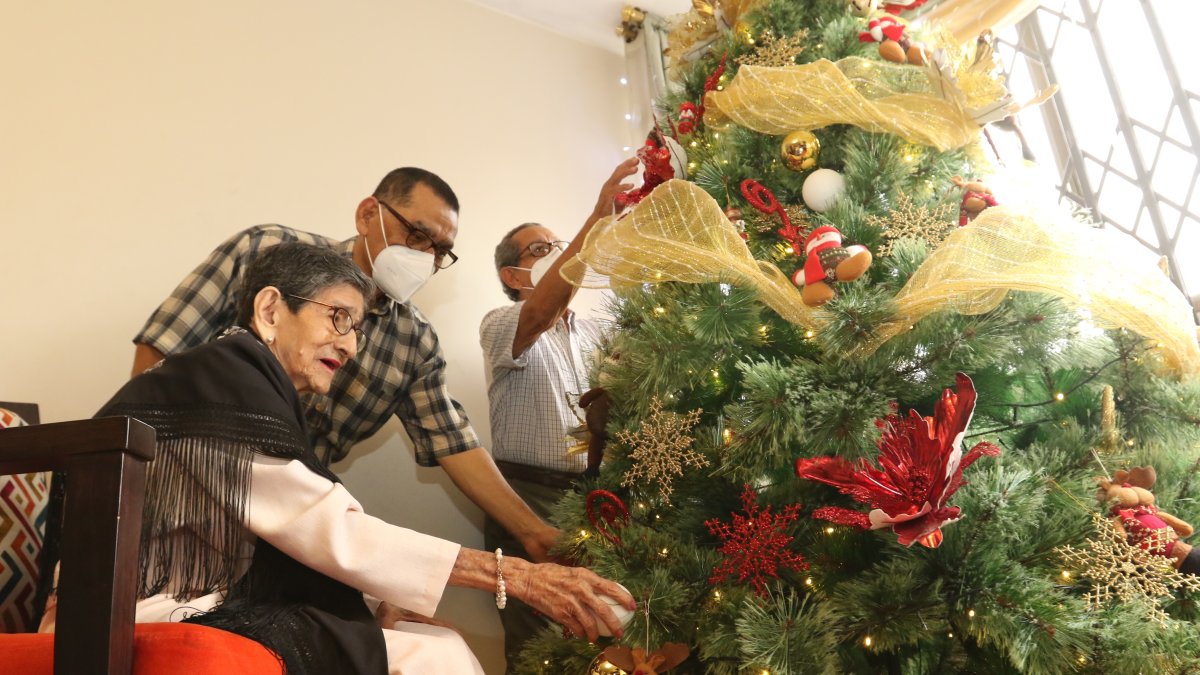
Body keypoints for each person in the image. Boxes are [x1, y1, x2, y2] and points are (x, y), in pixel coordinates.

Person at [43, 243, 635, 675]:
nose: (351, 345)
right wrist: (516, 575)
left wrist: (380, 601)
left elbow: (297, 523)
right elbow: (325, 527)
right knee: (436, 660)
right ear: (271, 310)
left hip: (193, 596)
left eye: (357, 328)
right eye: (338, 318)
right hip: (138, 608)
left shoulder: (241, 380)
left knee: (427, 642)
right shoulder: (220, 384)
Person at [130, 167, 562, 562]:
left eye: (440, 251)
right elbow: (162, 351)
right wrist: (135, 477)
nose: (425, 258)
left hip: (284, 531)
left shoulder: (414, 342)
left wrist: (534, 532)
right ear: (368, 215)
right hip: (178, 496)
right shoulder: (263, 253)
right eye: (416, 235)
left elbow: (454, 441)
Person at [479, 158, 638, 665]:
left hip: (600, 498)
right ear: (512, 273)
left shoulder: (597, 334)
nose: (559, 254)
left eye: (560, 243)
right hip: (528, 499)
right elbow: (543, 311)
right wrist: (598, 216)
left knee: (611, 636)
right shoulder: (502, 323)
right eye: (542, 249)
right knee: (539, 650)